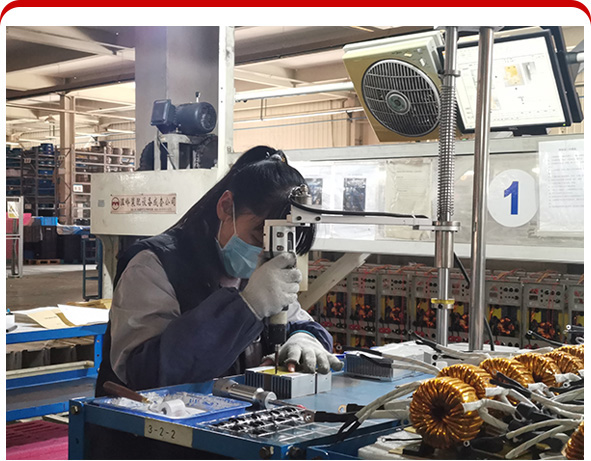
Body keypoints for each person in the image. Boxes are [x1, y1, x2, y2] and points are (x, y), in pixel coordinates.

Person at [95, 145, 342, 396]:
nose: (264, 253)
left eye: (279, 244)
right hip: (152, 418)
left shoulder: (264, 271)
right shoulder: (152, 265)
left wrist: (305, 338)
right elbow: (145, 372)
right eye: (259, 236)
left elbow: (299, 322)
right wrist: (246, 308)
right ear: (225, 207)